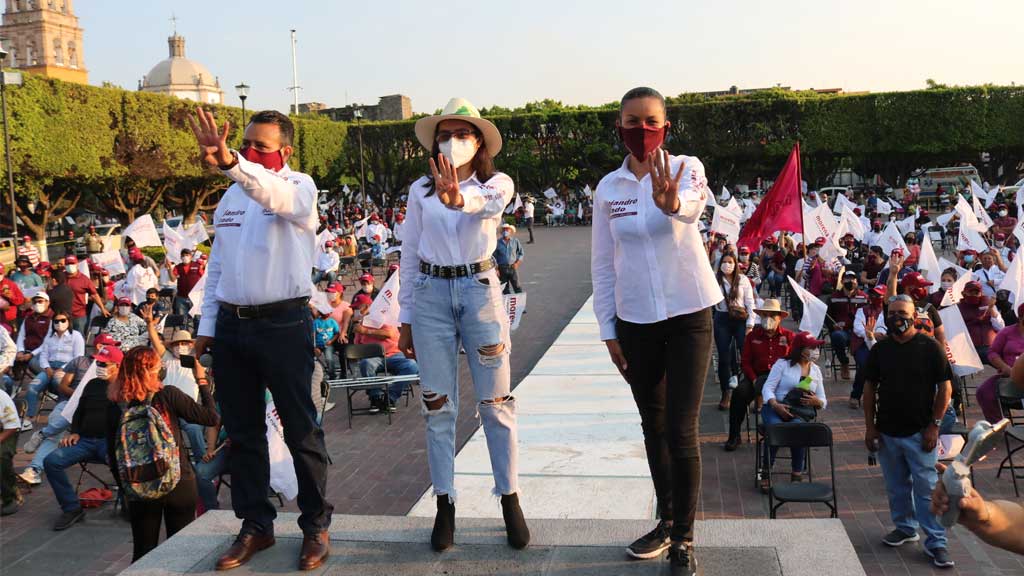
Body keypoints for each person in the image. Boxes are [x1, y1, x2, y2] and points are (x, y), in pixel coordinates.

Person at [189, 107, 333, 571]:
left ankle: (314, 524)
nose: (249, 151)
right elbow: (218, 269)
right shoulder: (230, 199)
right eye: (244, 142)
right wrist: (206, 327)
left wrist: (233, 161)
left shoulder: (299, 187)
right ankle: (256, 525)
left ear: (285, 152)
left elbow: (269, 191)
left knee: (301, 430)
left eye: (260, 146)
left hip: (284, 323)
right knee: (243, 432)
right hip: (232, 327)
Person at [589, 87, 717, 574]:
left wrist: (672, 203)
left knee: (682, 429)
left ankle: (684, 536)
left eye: (651, 120)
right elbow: (603, 264)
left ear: (665, 125)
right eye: (631, 121)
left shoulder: (687, 167)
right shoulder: (608, 189)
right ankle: (665, 521)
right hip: (635, 320)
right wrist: (607, 328)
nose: (641, 130)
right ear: (619, 126)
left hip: (688, 313)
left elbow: (691, 208)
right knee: (653, 425)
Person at [397, 97, 529, 553]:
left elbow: (485, 202)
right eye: (446, 135)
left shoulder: (496, 183)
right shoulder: (419, 191)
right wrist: (406, 316)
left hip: (478, 287)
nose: (453, 142)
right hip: (432, 294)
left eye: (463, 134)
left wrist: (458, 197)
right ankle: (445, 503)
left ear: (479, 143)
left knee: (496, 402)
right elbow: (410, 252)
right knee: (438, 408)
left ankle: (509, 497)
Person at [863, 294, 955, 569]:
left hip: (920, 432)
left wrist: (934, 426)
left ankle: (937, 542)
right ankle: (905, 527)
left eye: (902, 313)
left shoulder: (930, 347)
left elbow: (945, 389)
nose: (896, 319)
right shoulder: (881, 350)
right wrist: (870, 427)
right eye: (891, 313)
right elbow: (869, 389)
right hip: (888, 431)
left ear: (914, 316)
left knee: (926, 489)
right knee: (896, 487)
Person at [108, 346, 219, 562]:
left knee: (143, 552)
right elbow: (211, 417)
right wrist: (202, 381)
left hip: (139, 483)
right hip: (178, 481)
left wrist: (127, 489)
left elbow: (113, 456)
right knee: (179, 554)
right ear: (152, 371)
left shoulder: (115, 405)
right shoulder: (167, 395)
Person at [42, 346, 121, 531]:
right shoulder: (92, 384)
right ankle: (71, 508)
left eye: (104, 363)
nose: (99, 366)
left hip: (109, 443)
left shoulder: (124, 387)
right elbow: (79, 411)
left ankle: (128, 503)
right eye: (98, 362)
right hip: (85, 440)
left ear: (117, 366)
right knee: (51, 461)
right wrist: (75, 431)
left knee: (121, 462)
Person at [759, 332, 827, 489]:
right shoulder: (782, 364)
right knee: (777, 430)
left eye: (816, 347)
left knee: (799, 429)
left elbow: (823, 400)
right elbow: (767, 388)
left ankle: (797, 472)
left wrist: (817, 402)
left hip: (799, 411)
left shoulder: (815, 371)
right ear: (801, 349)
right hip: (775, 407)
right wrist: (776, 405)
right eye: (812, 347)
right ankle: (766, 471)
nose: (816, 350)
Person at [724, 299, 794, 451]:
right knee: (739, 393)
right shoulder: (752, 336)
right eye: (765, 315)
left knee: (796, 394)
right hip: (757, 375)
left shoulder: (789, 336)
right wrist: (754, 379)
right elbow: (746, 362)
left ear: (780, 318)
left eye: (772, 316)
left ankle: (789, 432)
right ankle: (734, 436)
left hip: (780, 378)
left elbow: (795, 361)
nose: (768, 319)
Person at [351, 293, 419, 412]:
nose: (356, 311)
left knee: (412, 366)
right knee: (365, 364)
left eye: (358, 308)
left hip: (394, 354)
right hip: (373, 357)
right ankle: (375, 396)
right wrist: (356, 328)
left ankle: (390, 397)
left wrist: (366, 331)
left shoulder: (384, 317)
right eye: (354, 309)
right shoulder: (360, 324)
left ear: (367, 306)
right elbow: (357, 346)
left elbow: (389, 334)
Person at [22, 311, 85, 431]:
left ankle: (59, 417)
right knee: (32, 387)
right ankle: (29, 418)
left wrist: (63, 368)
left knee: (60, 386)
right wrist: (47, 368)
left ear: (68, 322)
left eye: (63, 320)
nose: (59, 323)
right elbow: (44, 355)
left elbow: (78, 357)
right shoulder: (50, 336)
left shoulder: (76, 336)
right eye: (56, 321)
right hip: (49, 367)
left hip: (67, 368)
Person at [712, 252, 755, 410]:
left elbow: (750, 302)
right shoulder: (715, 280)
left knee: (746, 355)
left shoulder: (742, 280)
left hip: (740, 319)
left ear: (735, 264)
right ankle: (726, 393)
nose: (727, 265)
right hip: (722, 319)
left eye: (730, 262)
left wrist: (750, 325)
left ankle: (750, 391)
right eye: (724, 262)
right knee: (723, 357)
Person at [976, 304, 1024, 423]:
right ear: (1021, 317)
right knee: (984, 391)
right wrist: (1005, 367)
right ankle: (998, 423)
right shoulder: (1007, 332)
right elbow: (993, 353)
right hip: (1008, 375)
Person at [826, 271, 867, 380]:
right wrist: (832, 326)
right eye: (848, 279)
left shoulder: (864, 297)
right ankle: (844, 363)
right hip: (841, 331)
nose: (851, 281)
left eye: (853, 279)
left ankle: (863, 368)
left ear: (857, 281)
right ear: (842, 281)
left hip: (859, 331)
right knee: (837, 336)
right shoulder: (833, 297)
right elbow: (827, 317)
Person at [958, 280, 1004, 363]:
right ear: (964, 293)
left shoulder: (989, 304)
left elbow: (1001, 327)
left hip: (990, 347)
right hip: (969, 349)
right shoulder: (958, 308)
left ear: (981, 293)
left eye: (976, 293)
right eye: (970, 292)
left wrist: (991, 309)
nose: (974, 295)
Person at [64, 256, 109, 335]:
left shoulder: (84, 279)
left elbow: (95, 295)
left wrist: (102, 308)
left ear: (77, 264)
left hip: (79, 315)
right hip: (63, 314)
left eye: (72, 263)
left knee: (79, 337)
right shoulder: (61, 277)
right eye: (68, 264)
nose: (70, 266)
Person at [14, 291, 54, 378]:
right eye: (35, 302)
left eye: (40, 301)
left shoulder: (52, 318)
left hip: (42, 352)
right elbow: (21, 335)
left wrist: (32, 354)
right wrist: (20, 351)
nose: (37, 304)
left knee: (33, 363)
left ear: (48, 302)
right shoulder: (28, 317)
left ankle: (49, 381)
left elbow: (48, 341)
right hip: (26, 350)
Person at [0, 385, 21, 516]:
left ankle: (10, 498)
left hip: (6, 432)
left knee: (1, 456)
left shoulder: (1, 397)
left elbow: (12, 426)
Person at [169, 248, 205, 317]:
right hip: (181, 297)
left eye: (187, 255)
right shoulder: (178, 267)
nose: (185, 257)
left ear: (191, 256)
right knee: (181, 319)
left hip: (195, 297)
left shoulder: (197, 266)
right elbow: (173, 279)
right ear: (180, 257)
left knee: (196, 319)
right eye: (183, 255)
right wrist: (169, 269)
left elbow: (204, 278)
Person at [494, 222, 525, 294]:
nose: (506, 231)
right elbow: (494, 257)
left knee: (517, 287)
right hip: (502, 268)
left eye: (507, 230)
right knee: (504, 288)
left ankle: (519, 304)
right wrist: (496, 269)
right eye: (504, 230)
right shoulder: (497, 243)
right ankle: (508, 304)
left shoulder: (515, 241)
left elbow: (521, 253)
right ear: (501, 232)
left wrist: (517, 263)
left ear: (510, 231)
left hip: (512, 267)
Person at [313, 306, 342, 379]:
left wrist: (331, 341)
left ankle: (332, 375)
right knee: (313, 358)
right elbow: (313, 334)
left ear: (330, 313)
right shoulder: (316, 322)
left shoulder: (332, 322)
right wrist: (314, 346)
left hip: (328, 344)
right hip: (317, 345)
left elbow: (337, 333)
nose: (326, 314)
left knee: (329, 358)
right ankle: (314, 375)